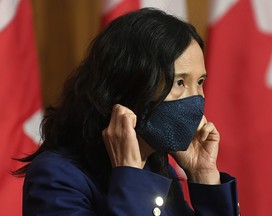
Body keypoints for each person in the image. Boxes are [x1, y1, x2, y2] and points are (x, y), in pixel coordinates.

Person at [15, 8, 239, 215]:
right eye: (179, 82)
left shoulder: (159, 167)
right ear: (128, 86)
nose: (195, 99)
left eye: (200, 81)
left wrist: (204, 176)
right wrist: (130, 177)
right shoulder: (56, 176)